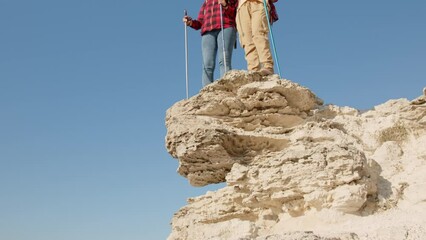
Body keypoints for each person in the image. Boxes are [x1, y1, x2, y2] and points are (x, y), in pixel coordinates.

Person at [183, 0, 238, 87]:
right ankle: (207, 89)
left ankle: (226, 85)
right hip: (207, 32)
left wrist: (225, 5)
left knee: (224, 60)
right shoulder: (206, 2)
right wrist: (191, 22)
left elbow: (235, 14)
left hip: (225, 27)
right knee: (207, 63)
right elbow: (200, 22)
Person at [236, 0, 278, 76]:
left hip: (259, 3)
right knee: (246, 40)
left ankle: (267, 66)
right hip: (242, 6)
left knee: (258, 34)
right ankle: (253, 69)